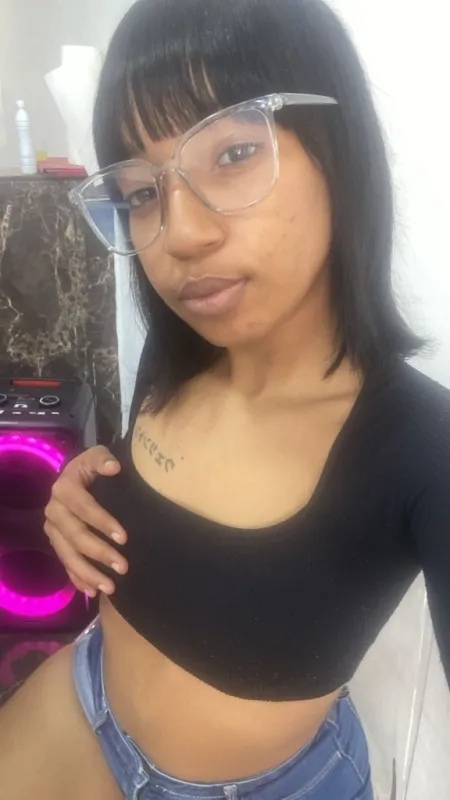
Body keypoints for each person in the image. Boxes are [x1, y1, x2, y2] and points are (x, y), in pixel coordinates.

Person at [1, 0, 449, 797]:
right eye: (140, 193)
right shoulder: (178, 359)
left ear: (338, 152)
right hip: (86, 695)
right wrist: (83, 489)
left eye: (233, 153)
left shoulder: (424, 446)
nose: (179, 235)